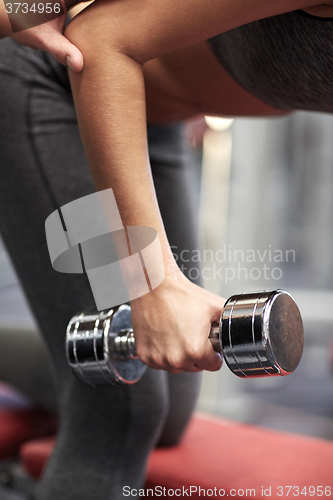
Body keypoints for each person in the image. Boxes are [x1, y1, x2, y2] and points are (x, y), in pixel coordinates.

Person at [0, 0, 332, 498]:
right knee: (120, 402)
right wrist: (152, 283)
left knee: (168, 403)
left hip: (146, 122)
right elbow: (97, 32)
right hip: (57, 88)